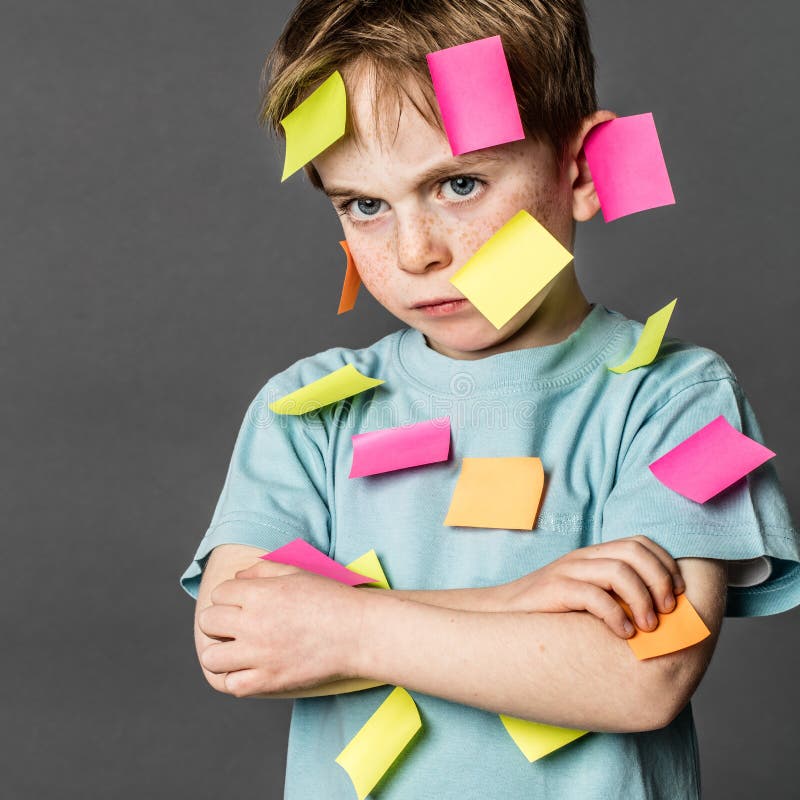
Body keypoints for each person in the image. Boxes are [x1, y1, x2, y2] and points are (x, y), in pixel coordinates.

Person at [180, 1, 800, 797]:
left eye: (459, 184)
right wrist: (512, 601)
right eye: (365, 205)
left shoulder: (677, 398)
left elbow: (642, 678)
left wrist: (341, 626)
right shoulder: (306, 410)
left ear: (577, 170)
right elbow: (238, 641)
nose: (416, 253)